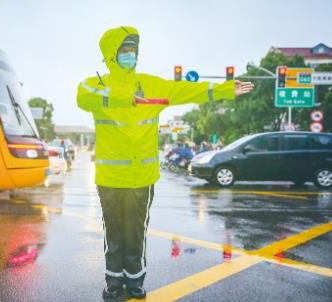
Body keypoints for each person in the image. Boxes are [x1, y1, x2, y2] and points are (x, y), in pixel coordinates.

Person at [76, 26, 254, 300]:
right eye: (124, 51)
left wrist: (225, 89)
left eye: (133, 51)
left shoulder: (151, 84)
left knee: (136, 234)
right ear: (111, 54)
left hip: (141, 177)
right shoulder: (97, 84)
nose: (130, 56)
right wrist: (125, 99)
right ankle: (113, 283)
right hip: (110, 178)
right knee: (114, 234)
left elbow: (186, 90)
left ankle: (135, 283)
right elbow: (82, 97)